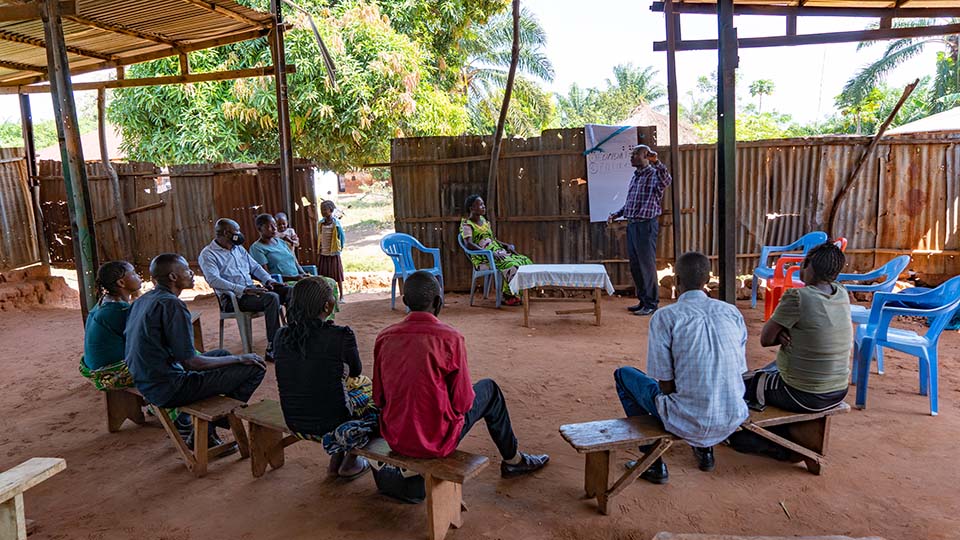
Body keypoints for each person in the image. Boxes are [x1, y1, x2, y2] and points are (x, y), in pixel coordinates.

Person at [373, 271, 549, 478]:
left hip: (396, 437)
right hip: (436, 441)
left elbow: (379, 398)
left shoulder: (384, 338)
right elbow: (463, 404)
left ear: (405, 301)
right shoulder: (450, 338)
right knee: (490, 390)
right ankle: (513, 460)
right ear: (438, 302)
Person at [613, 251, 748, 484]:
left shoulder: (666, 317)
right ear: (707, 280)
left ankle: (653, 463)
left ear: (676, 280)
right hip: (732, 414)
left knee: (624, 376)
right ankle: (705, 452)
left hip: (688, 419)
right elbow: (738, 369)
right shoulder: (731, 312)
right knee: (710, 379)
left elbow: (665, 385)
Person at [125, 253, 267, 450]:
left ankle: (206, 425)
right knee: (255, 367)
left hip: (146, 381)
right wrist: (241, 357)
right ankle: (214, 423)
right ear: (173, 277)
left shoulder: (145, 299)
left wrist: (234, 359)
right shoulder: (172, 304)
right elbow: (191, 363)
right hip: (168, 388)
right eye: (187, 270)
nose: (192, 274)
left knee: (223, 354)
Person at [274, 277, 375, 479]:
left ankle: (335, 461)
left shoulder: (281, 335)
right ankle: (349, 462)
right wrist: (341, 370)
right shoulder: (341, 335)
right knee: (369, 394)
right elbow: (355, 371)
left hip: (294, 420)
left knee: (328, 391)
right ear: (328, 306)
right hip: (334, 422)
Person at [744, 242, 851, 413]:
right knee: (771, 368)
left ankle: (747, 437)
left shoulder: (798, 297)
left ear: (807, 266)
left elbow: (765, 339)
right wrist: (780, 336)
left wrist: (778, 335)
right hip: (838, 391)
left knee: (742, 384)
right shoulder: (841, 292)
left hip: (804, 395)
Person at [198, 218, 290, 360]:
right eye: (237, 231)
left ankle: (294, 335)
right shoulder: (208, 254)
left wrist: (269, 280)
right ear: (225, 233)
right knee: (272, 298)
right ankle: (274, 346)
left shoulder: (238, 249)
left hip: (252, 290)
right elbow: (213, 280)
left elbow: (255, 267)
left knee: (288, 291)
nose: (240, 234)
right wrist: (243, 289)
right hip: (233, 298)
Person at [606, 144, 673, 316]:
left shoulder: (654, 175)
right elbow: (631, 203)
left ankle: (651, 303)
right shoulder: (636, 176)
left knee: (646, 265)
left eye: (636, 154)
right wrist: (617, 214)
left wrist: (657, 161)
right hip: (633, 224)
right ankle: (643, 301)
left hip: (646, 225)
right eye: (632, 154)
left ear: (646, 156)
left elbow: (667, 179)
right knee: (636, 265)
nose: (632, 157)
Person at [460, 194, 533, 306]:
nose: (483, 206)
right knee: (512, 265)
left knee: (524, 260)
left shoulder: (484, 221)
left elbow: (493, 240)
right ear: (472, 208)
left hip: (497, 252)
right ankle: (507, 295)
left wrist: (506, 245)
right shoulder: (467, 224)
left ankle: (518, 293)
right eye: (480, 205)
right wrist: (491, 254)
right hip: (483, 257)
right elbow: (468, 244)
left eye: (483, 204)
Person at [80, 261, 142, 389]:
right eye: (134, 274)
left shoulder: (105, 301)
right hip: (110, 373)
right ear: (121, 283)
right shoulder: (119, 311)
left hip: (94, 367)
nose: (139, 276)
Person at [249, 213, 308, 282]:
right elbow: (265, 275)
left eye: (275, 225)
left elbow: (294, 261)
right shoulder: (257, 248)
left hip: (297, 280)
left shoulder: (281, 242)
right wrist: (293, 278)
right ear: (260, 229)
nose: (274, 229)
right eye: (270, 226)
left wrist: (304, 274)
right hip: (281, 284)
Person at [317, 200, 346, 303]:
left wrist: (339, 248)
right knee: (324, 275)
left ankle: (341, 296)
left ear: (331, 210)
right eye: (321, 210)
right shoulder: (320, 224)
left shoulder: (336, 224)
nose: (323, 212)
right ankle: (325, 297)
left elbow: (341, 237)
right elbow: (319, 237)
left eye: (325, 210)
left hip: (334, 253)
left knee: (337, 275)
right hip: (324, 252)